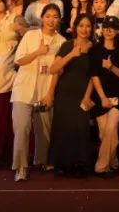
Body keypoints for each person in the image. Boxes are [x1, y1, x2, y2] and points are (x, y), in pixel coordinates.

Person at [11, 3, 65, 181]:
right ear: (42, 18)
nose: (51, 20)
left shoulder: (62, 42)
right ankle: (21, 167)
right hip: (23, 89)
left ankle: (42, 160)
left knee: (44, 130)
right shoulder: (30, 35)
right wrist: (38, 52)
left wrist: (50, 93)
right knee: (22, 128)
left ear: (59, 20)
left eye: (55, 17)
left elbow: (58, 71)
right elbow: (19, 61)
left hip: (45, 90)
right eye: (48, 16)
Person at [47, 13, 95, 174]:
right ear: (75, 28)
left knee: (81, 127)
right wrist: (71, 54)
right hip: (64, 92)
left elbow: (94, 76)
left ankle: (79, 164)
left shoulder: (95, 48)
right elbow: (53, 69)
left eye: (88, 26)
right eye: (81, 25)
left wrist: (87, 96)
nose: (84, 29)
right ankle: (61, 164)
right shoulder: (67, 45)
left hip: (83, 93)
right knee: (63, 127)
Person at [89, 16, 119, 176]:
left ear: (118, 31)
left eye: (113, 28)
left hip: (118, 98)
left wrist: (111, 67)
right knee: (105, 134)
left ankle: (101, 166)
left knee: (109, 129)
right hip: (100, 97)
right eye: (106, 27)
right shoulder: (95, 50)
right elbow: (93, 76)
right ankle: (113, 161)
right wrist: (102, 98)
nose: (109, 30)